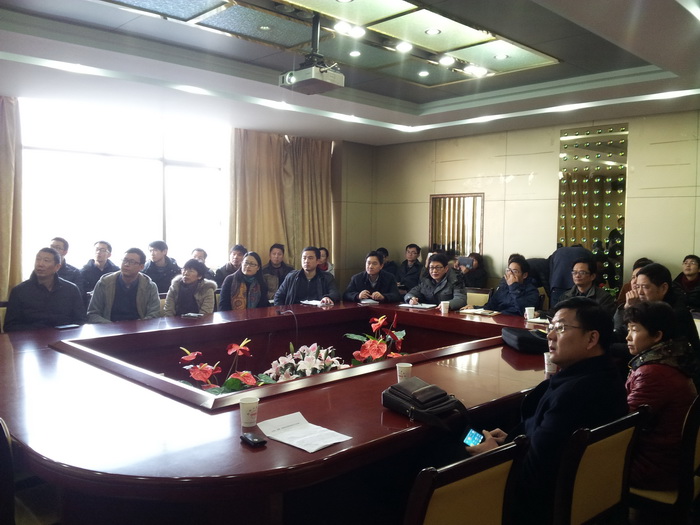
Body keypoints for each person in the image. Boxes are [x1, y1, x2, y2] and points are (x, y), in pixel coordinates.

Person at [466, 297, 628, 524]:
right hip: (585, 497)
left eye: (560, 328)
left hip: (534, 507)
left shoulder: (572, 395)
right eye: (550, 327)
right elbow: (552, 445)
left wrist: (496, 454)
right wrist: (516, 440)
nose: (550, 335)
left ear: (592, 338)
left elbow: (533, 475)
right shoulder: (607, 376)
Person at [624, 301, 697, 490]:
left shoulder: (653, 373)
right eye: (628, 329)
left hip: (654, 467)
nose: (627, 336)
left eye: (634, 329)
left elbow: (623, 424)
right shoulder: (673, 358)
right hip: (671, 460)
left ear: (657, 335)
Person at [614, 263, 700, 359]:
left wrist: (606, 346)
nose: (640, 292)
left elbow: (648, 349)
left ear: (663, 288)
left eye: (645, 287)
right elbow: (624, 331)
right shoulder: (649, 306)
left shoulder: (674, 313)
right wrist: (629, 309)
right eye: (638, 287)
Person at [4, 247, 86, 332]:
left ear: (57, 267)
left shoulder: (71, 289)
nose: (40, 264)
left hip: (64, 336)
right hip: (31, 337)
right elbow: (10, 326)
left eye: (46, 260)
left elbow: (81, 320)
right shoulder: (19, 291)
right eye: (38, 259)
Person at [87, 248, 161, 323]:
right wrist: (111, 326)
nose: (126, 264)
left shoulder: (149, 286)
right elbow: (93, 314)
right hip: (110, 327)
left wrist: (139, 325)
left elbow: (154, 314)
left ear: (141, 267)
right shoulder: (104, 283)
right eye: (124, 260)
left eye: (132, 262)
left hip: (139, 327)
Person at [274, 246, 340, 306]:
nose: (306, 261)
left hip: (318, 312)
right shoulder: (291, 277)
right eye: (304, 258)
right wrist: (282, 311)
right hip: (295, 313)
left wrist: (328, 297)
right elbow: (278, 296)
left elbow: (335, 293)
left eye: (310, 258)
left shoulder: (327, 277)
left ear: (318, 261)